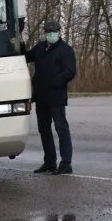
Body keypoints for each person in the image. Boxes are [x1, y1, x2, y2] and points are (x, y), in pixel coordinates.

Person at [25, 21, 78, 175]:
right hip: (41, 95)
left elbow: (70, 71)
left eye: (54, 31)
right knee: (44, 129)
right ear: (45, 33)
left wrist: (55, 81)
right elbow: (27, 56)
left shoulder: (65, 50)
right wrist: (17, 45)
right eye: (49, 32)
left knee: (61, 128)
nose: (52, 34)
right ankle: (49, 162)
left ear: (59, 32)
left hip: (56, 95)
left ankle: (66, 163)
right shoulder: (40, 48)